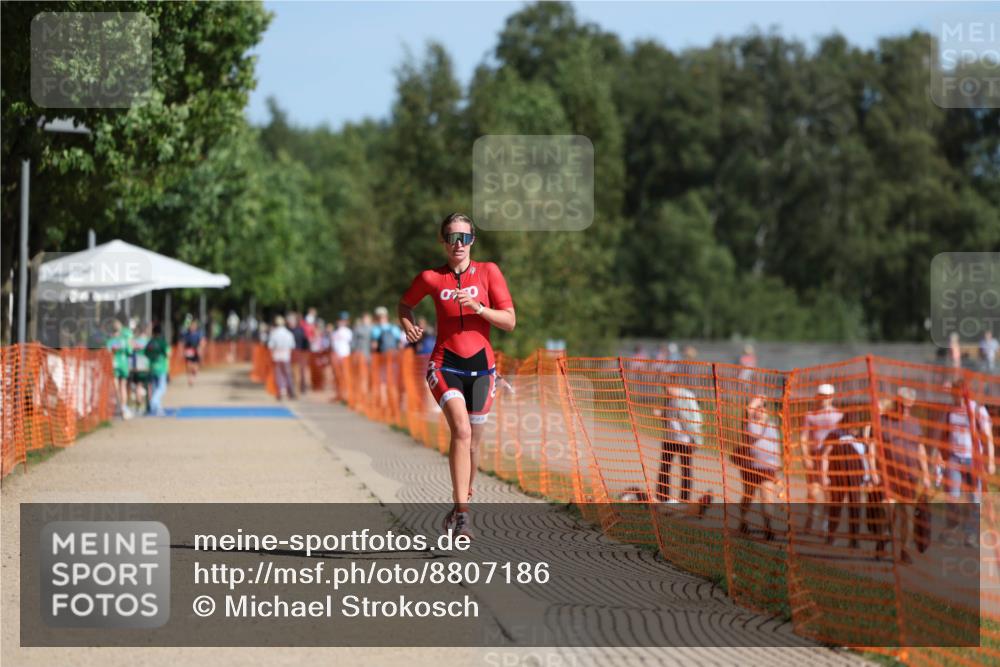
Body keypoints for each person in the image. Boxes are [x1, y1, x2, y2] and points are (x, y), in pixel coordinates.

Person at [398, 213, 515, 537]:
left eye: (464, 237)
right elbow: (404, 304)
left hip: (483, 369)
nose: (458, 244)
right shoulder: (431, 278)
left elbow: (509, 321)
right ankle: (463, 512)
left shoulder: (489, 272)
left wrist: (479, 308)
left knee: (473, 445)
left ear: (473, 240)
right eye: (452, 237)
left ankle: (462, 501)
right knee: (461, 431)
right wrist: (408, 326)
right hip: (444, 364)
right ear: (443, 241)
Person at [879, 387, 930, 563]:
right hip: (889, 476)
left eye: (909, 406)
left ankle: (904, 550)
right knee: (888, 511)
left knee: (907, 514)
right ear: (896, 402)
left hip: (910, 476)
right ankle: (885, 536)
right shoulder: (884, 421)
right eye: (903, 405)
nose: (906, 409)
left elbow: (921, 448)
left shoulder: (915, 423)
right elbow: (875, 447)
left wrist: (926, 473)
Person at [943, 379, 995, 546]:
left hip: (974, 459)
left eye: (956, 393)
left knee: (974, 499)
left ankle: (970, 534)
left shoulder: (978, 410)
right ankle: (952, 527)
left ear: (963, 393)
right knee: (953, 497)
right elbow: (945, 435)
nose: (953, 396)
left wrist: (991, 461)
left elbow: (988, 437)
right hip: (954, 458)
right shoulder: (950, 411)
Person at [735, 396, 782, 539]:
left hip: (768, 468)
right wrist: (757, 400)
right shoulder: (749, 424)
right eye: (758, 408)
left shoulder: (772, 425)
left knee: (767, 497)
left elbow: (776, 445)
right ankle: (742, 522)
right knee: (748, 496)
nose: (761, 410)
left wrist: (778, 465)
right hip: (750, 467)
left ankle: (769, 527)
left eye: (763, 407)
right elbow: (747, 411)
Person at [821, 428, 877, 549]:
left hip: (856, 479)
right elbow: (825, 454)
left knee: (855, 509)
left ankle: (854, 540)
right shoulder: (836, 434)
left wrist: (868, 478)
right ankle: (831, 537)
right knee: (835, 507)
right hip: (838, 478)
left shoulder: (862, 439)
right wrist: (824, 475)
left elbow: (865, 459)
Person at [799, 383, 844, 533]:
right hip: (815, 455)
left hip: (833, 458)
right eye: (822, 396)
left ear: (831, 397)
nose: (824, 399)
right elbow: (803, 438)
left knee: (829, 491)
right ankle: (812, 516)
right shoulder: (810, 415)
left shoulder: (839, 415)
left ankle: (825, 523)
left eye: (827, 396)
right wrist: (805, 456)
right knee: (812, 490)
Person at [654, 386, 703, 504]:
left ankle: (684, 501)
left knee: (686, 470)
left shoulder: (687, 397)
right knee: (664, 468)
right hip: (670, 439)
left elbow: (698, 419)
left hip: (685, 441)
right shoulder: (668, 398)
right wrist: (660, 414)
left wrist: (695, 438)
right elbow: (669, 418)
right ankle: (662, 497)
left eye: (668, 389)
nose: (667, 392)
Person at [106, 320, 133, 420]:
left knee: (116, 386)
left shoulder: (110, 341)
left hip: (114, 364)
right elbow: (129, 351)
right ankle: (123, 407)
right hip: (123, 364)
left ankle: (119, 407)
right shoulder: (124, 340)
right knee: (123, 386)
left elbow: (107, 354)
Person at [268, 315, 297, 400]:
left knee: (279, 375)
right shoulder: (289, 333)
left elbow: (270, 345)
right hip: (286, 356)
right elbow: (292, 345)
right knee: (288, 374)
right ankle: (290, 391)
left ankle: (280, 391)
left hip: (277, 356)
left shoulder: (274, 333)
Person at [145, 323, 171, 417]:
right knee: (162, 388)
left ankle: (157, 408)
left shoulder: (150, 342)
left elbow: (146, 353)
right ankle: (154, 401)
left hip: (152, 367)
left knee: (155, 388)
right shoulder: (162, 342)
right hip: (161, 368)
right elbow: (168, 354)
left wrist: (153, 358)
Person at [287, 312, 310, 395]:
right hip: (296, 352)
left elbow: (305, 342)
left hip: (296, 352)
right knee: (295, 372)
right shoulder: (299, 330)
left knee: (295, 372)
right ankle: (297, 389)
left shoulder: (296, 331)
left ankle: (296, 390)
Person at [182, 320, 204, 386]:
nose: (192, 327)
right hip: (189, 351)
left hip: (196, 351)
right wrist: (183, 351)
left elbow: (202, 342)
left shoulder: (198, 334)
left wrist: (200, 349)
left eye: (194, 326)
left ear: (196, 327)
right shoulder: (187, 334)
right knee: (188, 366)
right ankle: (190, 379)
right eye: (191, 326)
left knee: (195, 369)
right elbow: (183, 343)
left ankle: (193, 376)